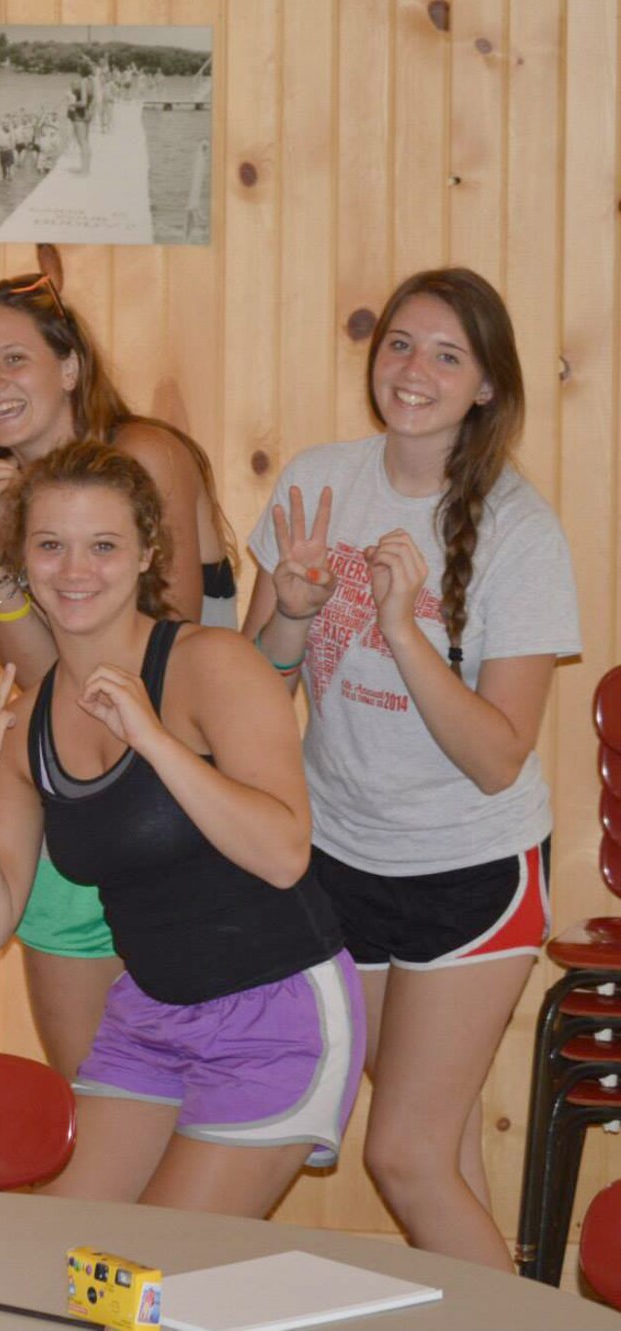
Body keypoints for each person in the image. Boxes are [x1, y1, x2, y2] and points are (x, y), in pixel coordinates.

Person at [246, 268, 579, 1267]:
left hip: (471, 869)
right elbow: (257, 689)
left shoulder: (519, 530)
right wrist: (293, 610)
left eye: (445, 353)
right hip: (344, 859)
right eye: (398, 343)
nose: (412, 368)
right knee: (435, 1143)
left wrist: (402, 631)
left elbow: (494, 754)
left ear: (484, 383)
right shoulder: (318, 479)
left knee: (400, 1154)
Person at [0, 442, 363, 1217]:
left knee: (152, 1269)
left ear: (145, 555)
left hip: (275, 1009)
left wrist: (156, 741)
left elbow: (283, 852)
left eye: (103, 545)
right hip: (151, 1014)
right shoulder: (30, 717)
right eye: (51, 545)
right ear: (21, 558)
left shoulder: (212, 663)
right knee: (62, 1246)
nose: (76, 570)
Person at [0, 268, 239, 1081]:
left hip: (181, 813)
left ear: (69, 366)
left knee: (195, 1111)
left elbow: (142, 668)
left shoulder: (144, 454)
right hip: (72, 801)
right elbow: (56, 687)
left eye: (13, 359)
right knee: (98, 1098)